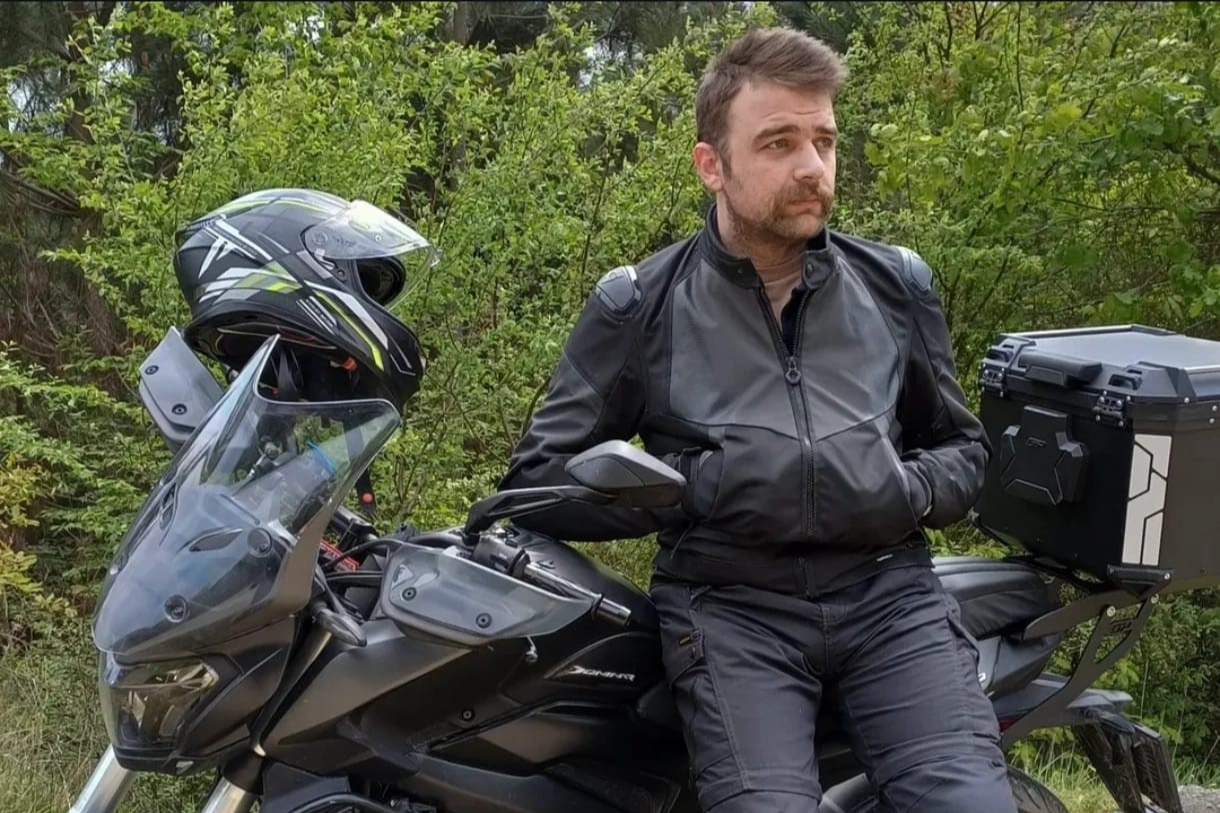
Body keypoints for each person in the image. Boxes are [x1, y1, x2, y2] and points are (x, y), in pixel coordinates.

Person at [498, 26, 1016, 813]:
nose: (812, 167)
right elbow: (536, 481)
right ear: (712, 164)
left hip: (889, 596)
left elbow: (964, 450)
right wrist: (684, 488)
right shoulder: (639, 304)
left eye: (824, 141)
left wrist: (902, 490)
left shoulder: (896, 286)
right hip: (731, 610)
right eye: (779, 143)